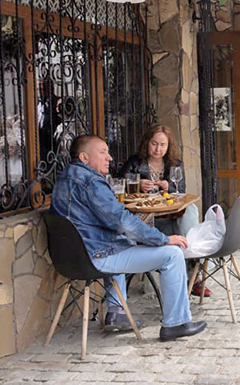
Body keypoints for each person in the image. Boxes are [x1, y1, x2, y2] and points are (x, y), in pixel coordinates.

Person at [51, 135, 207, 341]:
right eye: (103, 152)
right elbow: (123, 222)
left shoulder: (64, 178)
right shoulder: (91, 182)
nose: (110, 157)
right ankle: (176, 323)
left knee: (125, 240)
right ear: (84, 157)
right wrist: (164, 239)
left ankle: (116, 312)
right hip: (97, 256)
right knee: (173, 254)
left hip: (69, 259)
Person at [119, 124, 209, 297]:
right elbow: (120, 185)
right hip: (148, 219)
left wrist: (170, 186)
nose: (158, 149)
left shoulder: (175, 164)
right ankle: (196, 271)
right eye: (154, 144)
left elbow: (181, 191)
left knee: (190, 210)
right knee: (182, 232)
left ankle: (193, 271)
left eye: (162, 145)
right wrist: (138, 184)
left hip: (171, 215)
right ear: (147, 142)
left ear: (168, 146)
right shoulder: (135, 162)